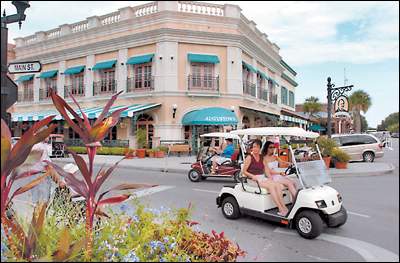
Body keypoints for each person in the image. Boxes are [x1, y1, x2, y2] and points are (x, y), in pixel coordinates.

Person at [242, 139, 288, 216]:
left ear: (260, 148)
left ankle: (284, 207)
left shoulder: (261, 157)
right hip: (252, 179)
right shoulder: (249, 157)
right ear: (252, 148)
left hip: (262, 177)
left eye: (257, 147)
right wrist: (253, 176)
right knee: (271, 186)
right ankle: (280, 208)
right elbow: (244, 171)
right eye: (254, 147)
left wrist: (270, 178)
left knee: (277, 185)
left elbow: (266, 169)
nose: (255, 149)